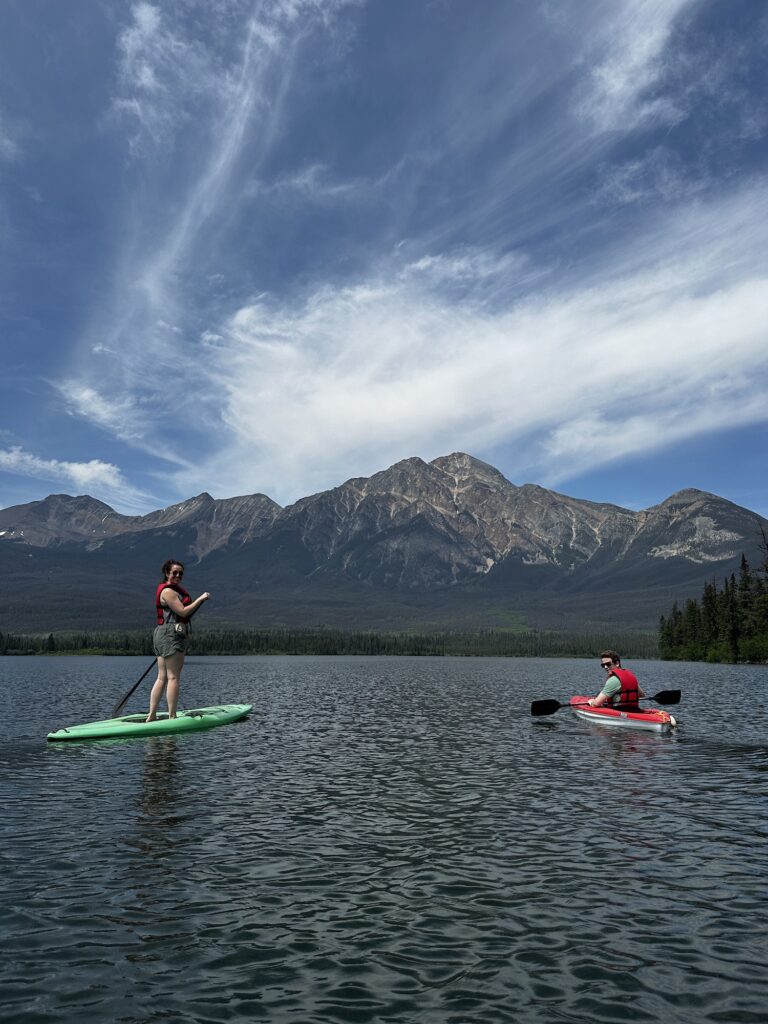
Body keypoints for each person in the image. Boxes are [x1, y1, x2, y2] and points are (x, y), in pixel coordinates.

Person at [146, 559, 211, 722]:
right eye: (174, 572)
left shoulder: (168, 591)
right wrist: (201, 598)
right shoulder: (169, 592)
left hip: (161, 633)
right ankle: (172, 716)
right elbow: (182, 611)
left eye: (180, 573)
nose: (178, 575)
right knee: (173, 677)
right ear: (167, 573)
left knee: (162, 677)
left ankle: (152, 715)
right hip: (170, 634)